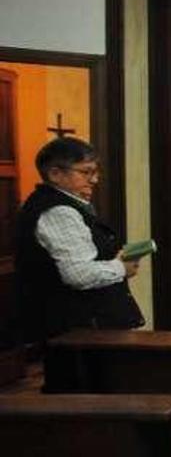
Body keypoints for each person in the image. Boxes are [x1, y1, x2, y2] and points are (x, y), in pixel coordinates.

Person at [15, 137, 144, 344]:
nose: (94, 179)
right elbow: (78, 274)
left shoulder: (68, 205)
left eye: (95, 172)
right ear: (55, 174)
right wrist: (121, 267)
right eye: (86, 172)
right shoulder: (59, 211)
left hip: (88, 328)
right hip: (78, 331)